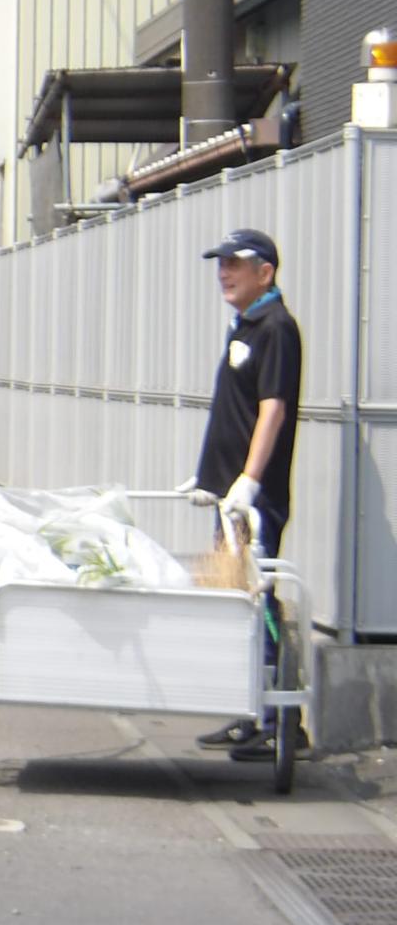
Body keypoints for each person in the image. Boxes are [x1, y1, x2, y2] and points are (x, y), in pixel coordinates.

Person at [183, 229, 303, 761]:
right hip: (230, 496)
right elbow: (234, 413)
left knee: (258, 599)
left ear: (265, 272)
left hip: (254, 501)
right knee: (238, 604)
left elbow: (272, 408)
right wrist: (208, 479)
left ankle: (282, 724)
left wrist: (250, 482)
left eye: (235, 264)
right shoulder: (247, 325)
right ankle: (250, 712)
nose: (224, 273)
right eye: (221, 264)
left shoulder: (275, 327)